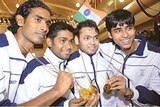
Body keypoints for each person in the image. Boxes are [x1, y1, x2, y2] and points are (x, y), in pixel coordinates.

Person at [0, 0, 73, 106]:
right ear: (20, 20)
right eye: (38, 19)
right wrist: (56, 91)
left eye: (47, 23)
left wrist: (68, 104)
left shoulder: (30, 58)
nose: (45, 28)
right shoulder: (2, 51)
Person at [14, 22, 87, 106]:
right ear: (49, 42)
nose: (69, 46)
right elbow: (24, 104)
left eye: (70, 41)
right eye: (63, 40)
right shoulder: (34, 68)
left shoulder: (71, 65)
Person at [100, 9, 160, 106]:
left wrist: (129, 92)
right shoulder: (107, 49)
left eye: (129, 28)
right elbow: (86, 45)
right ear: (110, 34)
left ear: (134, 29)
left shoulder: (155, 56)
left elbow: (157, 98)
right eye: (118, 30)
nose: (125, 35)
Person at [66, 19, 113, 106]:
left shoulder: (108, 56)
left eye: (95, 38)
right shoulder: (69, 63)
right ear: (76, 40)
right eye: (87, 38)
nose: (93, 43)